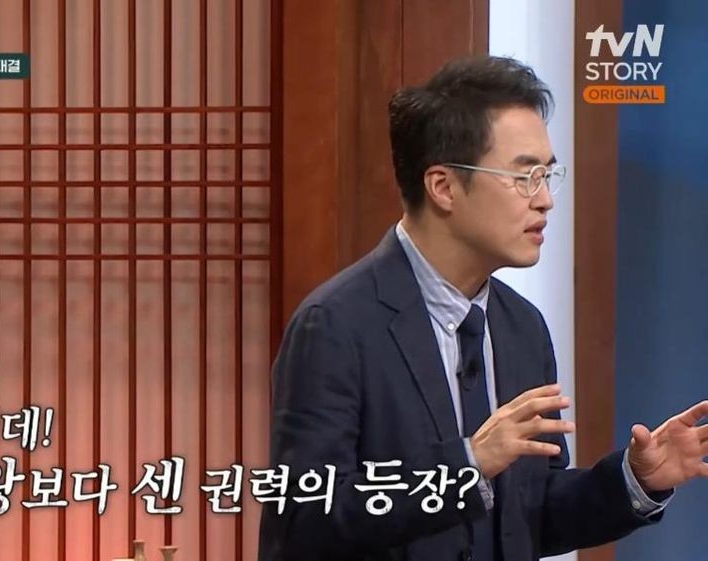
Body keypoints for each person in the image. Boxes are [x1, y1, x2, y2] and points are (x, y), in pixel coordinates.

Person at [257, 55, 708, 561]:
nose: (545, 200)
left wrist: (633, 480)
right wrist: (467, 464)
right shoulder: (335, 325)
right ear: (443, 187)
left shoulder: (522, 327)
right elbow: (303, 520)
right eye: (524, 176)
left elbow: (530, 514)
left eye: (547, 175)